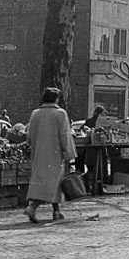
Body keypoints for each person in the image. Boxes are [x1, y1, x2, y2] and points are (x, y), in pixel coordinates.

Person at [24, 88, 77, 224]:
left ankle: (56, 211)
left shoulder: (35, 113)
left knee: (47, 182)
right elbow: (65, 134)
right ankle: (32, 207)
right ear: (56, 99)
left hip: (39, 152)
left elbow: (29, 135)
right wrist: (68, 152)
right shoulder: (60, 113)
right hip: (55, 153)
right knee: (53, 183)